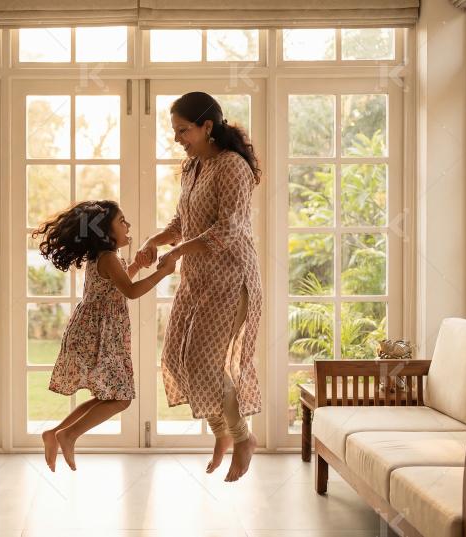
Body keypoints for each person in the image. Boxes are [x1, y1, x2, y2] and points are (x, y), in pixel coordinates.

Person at [138, 91, 263, 482]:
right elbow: (182, 223)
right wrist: (155, 241)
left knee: (205, 363)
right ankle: (222, 432)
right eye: (175, 131)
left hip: (231, 279)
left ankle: (242, 438)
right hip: (196, 279)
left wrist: (176, 253)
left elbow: (228, 229)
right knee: (176, 358)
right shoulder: (193, 167)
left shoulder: (232, 167)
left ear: (207, 126)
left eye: (183, 130)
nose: (177, 138)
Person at [34, 200, 176, 471]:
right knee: (121, 398)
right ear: (104, 230)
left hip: (97, 333)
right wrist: (163, 273)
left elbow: (117, 284)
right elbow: (130, 291)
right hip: (99, 335)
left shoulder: (105, 257)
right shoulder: (108, 258)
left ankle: (55, 434)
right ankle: (68, 435)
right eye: (122, 221)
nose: (128, 225)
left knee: (109, 397)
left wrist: (136, 265)